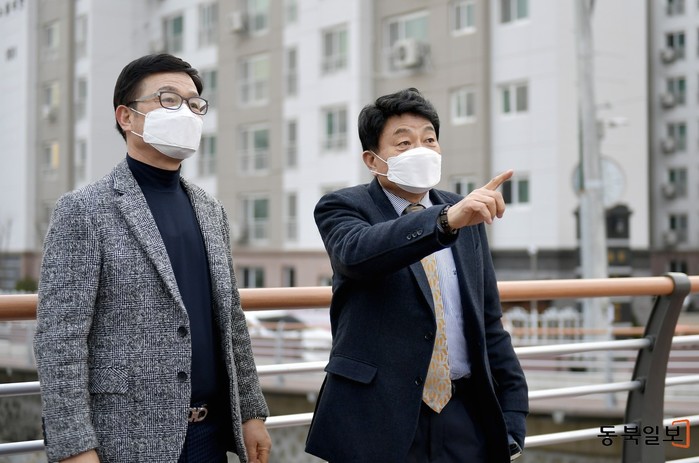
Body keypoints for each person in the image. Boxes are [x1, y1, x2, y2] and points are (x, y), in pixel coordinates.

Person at [33, 54, 271, 463]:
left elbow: (231, 320)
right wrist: (75, 447)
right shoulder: (84, 209)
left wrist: (250, 412)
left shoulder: (210, 210)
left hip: (211, 433)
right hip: (127, 438)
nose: (186, 113)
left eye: (195, 104)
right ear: (126, 117)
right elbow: (60, 339)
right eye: (169, 100)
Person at [306, 88, 528, 462]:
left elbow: (488, 319)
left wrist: (514, 410)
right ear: (373, 159)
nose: (421, 150)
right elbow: (357, 253)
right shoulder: (343, 206)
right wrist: (443, 222)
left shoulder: (462, 211)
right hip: (377, 418)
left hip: (463, 412)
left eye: (429, 140)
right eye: (404, 143)